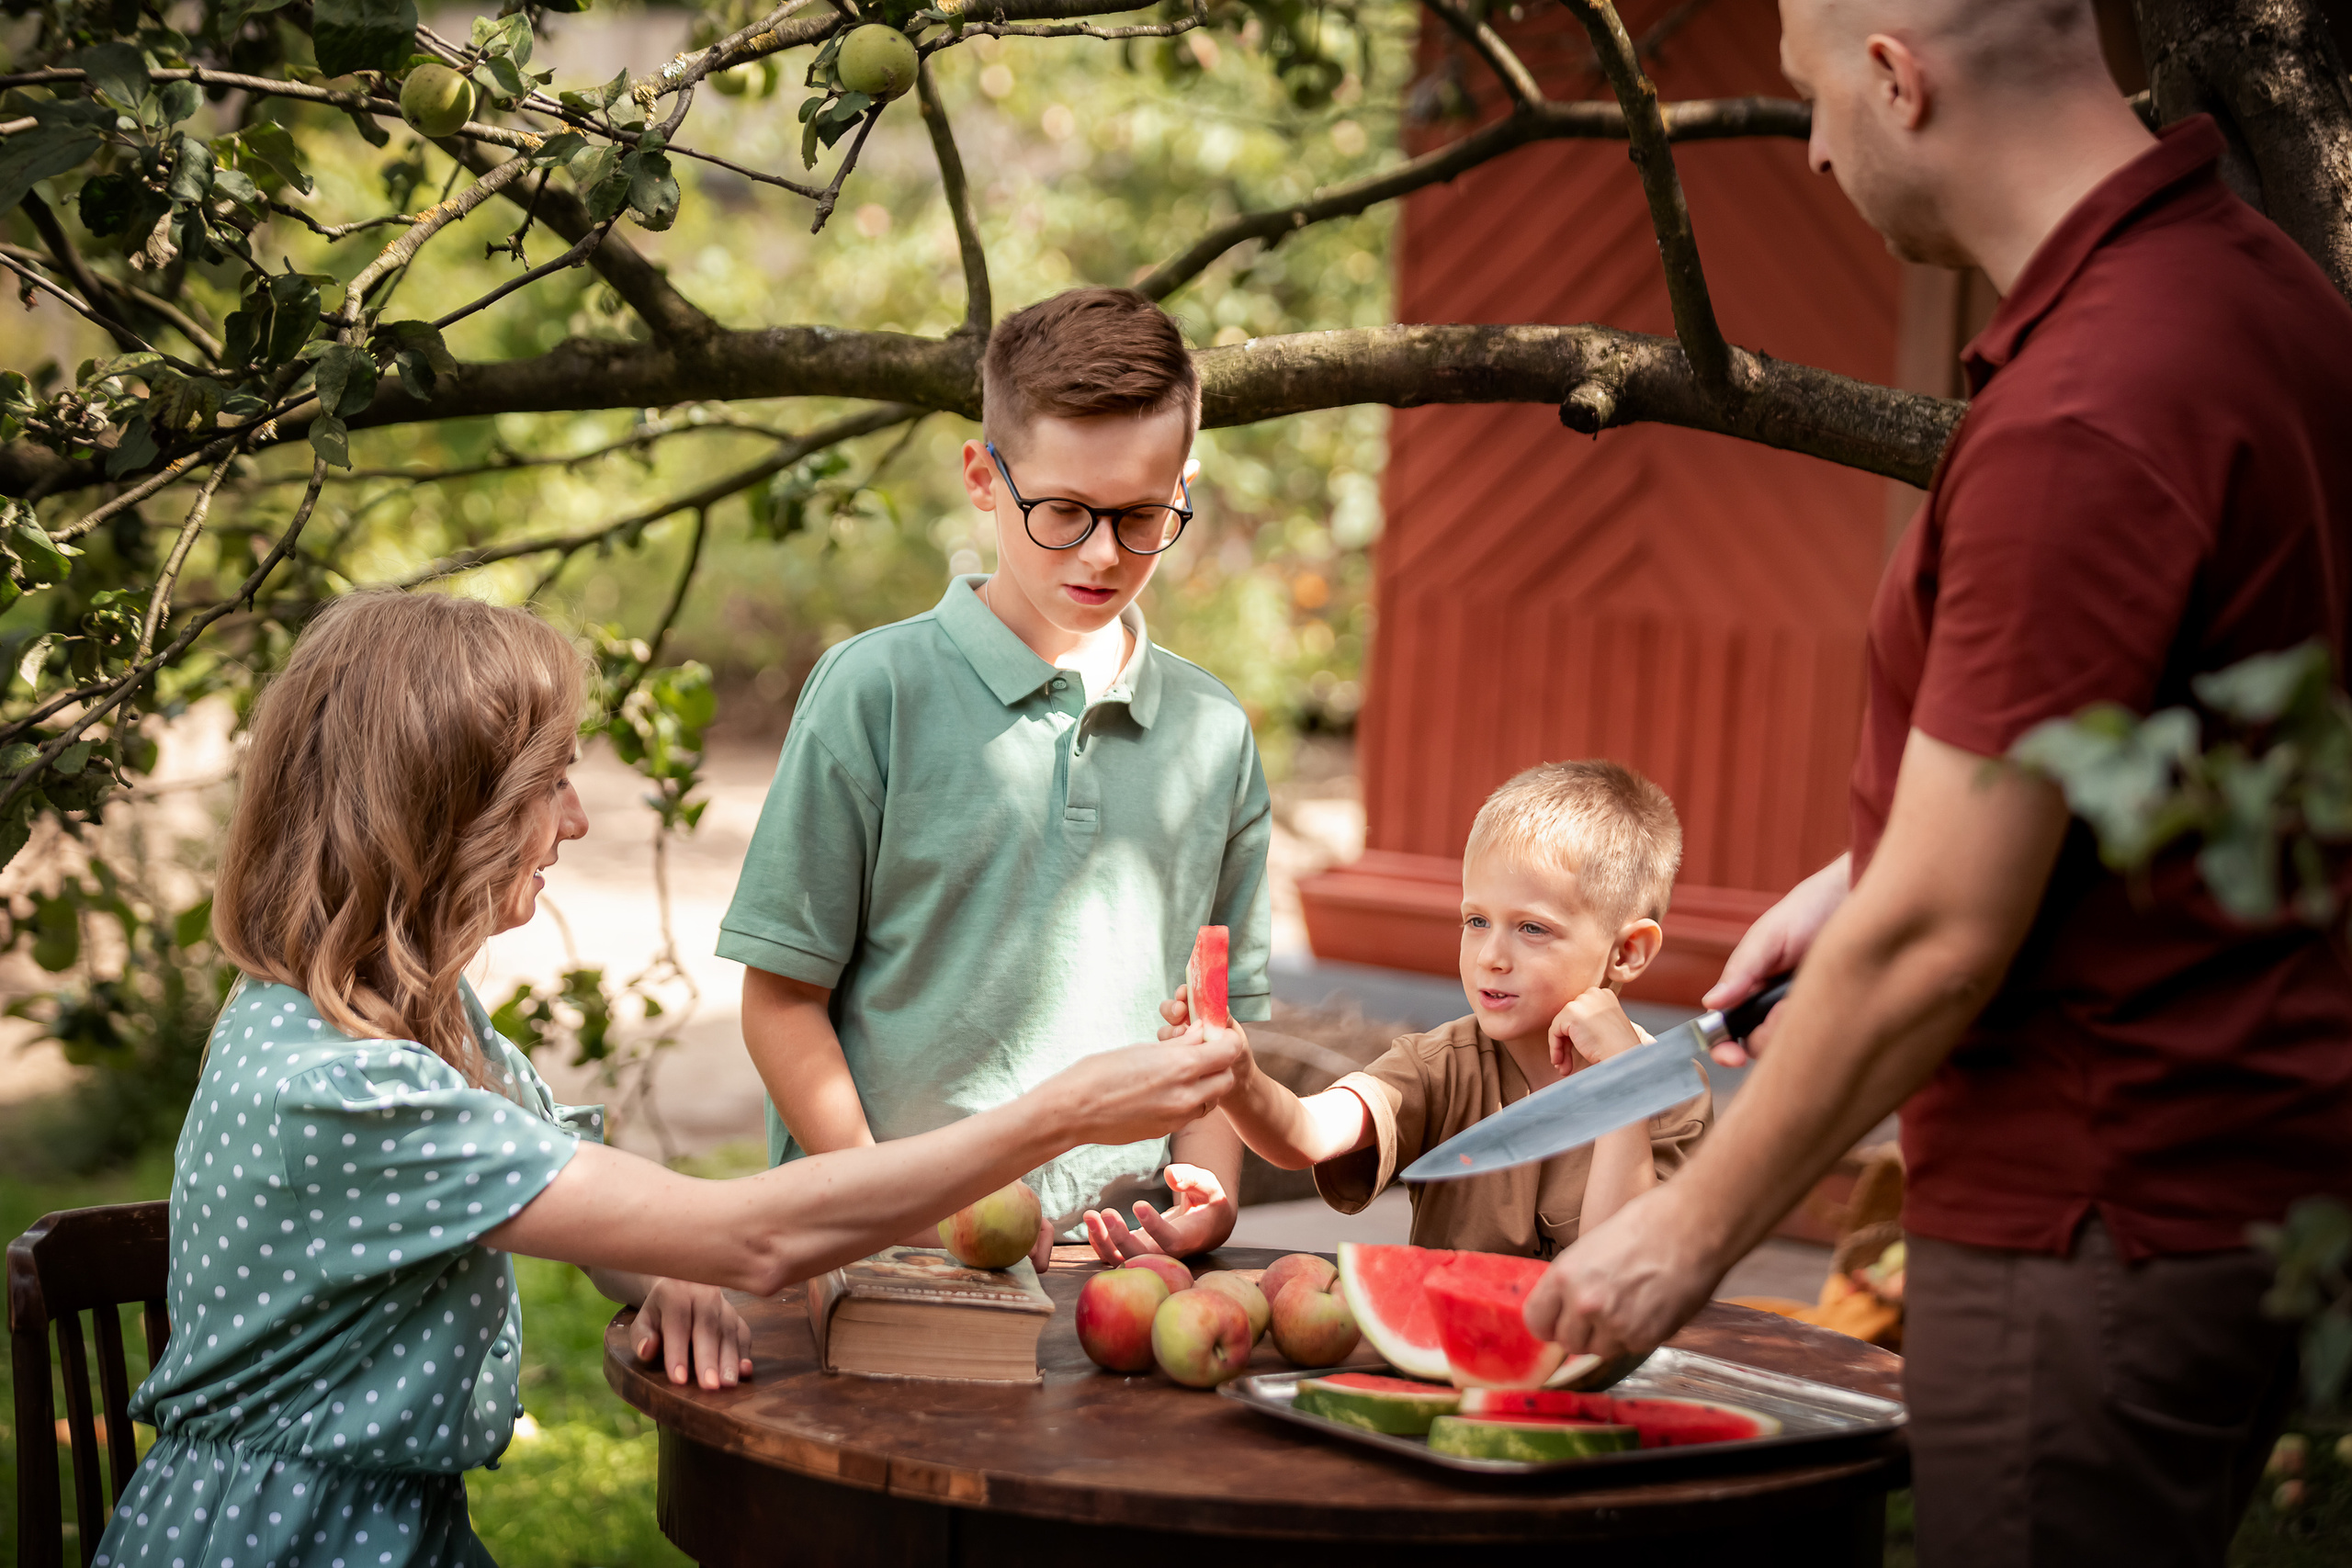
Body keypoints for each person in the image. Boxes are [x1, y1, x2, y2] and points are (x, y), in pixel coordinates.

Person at [1522, 3, 2352, 1563]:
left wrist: (1679, 1241)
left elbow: (1939, 939)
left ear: (1896, 79)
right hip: (2244, 1189)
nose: (1819, 147)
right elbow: (2188, 713)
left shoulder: (2086, 407)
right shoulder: (2267, 300)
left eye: (1813, 99)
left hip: (2088, 1217)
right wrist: (1869, 866)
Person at [94, 592, 1242, 1568]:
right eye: (549, 782)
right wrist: (1064, 1114)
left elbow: (594, 1201)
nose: (580, 819)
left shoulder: (403, 1023)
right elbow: (752, 1243)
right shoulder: (343, 1089)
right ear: (439, 813)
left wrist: (658, 1263)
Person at [720, 287, 1271, 1268]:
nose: (1104, 554)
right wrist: (881, 1209)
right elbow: (781, 1000)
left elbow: (1220, 1030)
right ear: (983, 477)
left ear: (1183, 486)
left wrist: (1210, 1191)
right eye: (1063, 511)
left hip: (1117, 1273)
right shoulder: (871, 694)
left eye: (1144, 516)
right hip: (884, 1255)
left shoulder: (1214, 735)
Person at [1135, 761, 1705, 1261]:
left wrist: (1622, 1088)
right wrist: (1241, 1076)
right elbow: (1305, 1134)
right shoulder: (1440, 1066)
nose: (1491, 957)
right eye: (1476, 921)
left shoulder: (1676, 1094)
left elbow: (1613, 1273)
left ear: (1627, 952)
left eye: (1532, 928)